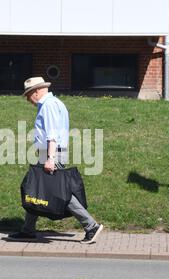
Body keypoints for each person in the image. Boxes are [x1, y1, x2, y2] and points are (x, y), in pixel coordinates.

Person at [8, 77, 103, 244]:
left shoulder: (48, 105)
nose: (27, 99)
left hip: (52, 153)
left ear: (35, 91)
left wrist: (50, 158)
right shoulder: (54, 103)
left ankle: (91, 225)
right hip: (50, 152)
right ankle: (28, 229)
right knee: (36, 188)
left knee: (57, 192)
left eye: (28, 95)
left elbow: (52, 134)